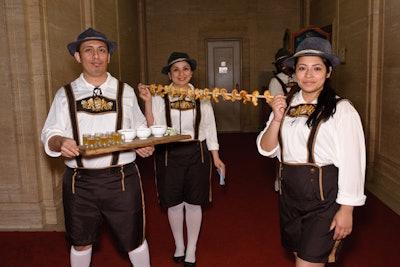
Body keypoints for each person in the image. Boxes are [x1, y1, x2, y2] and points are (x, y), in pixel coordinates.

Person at [41, 28, 153, 267]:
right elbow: (49, 134)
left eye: (101, 50)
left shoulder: (126, 92)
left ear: (109, 56)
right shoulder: (65, 94)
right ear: (78, 57)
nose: (96, 56)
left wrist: (144, 146)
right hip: (79, 181)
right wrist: (60, 142)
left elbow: (140, 128)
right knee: (80, 241)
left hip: (122, 178)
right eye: (88, 50)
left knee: (135, 239)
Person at [256, 37, 366, 266]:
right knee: (300, 256)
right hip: (289, 197)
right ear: (294, 72)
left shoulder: (341, 109)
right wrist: (276, 119)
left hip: (323, 200)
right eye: (302, 68)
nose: (308, 75)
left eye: (317, 68)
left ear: (328, 72)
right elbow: (266, 149)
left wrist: (347, 210)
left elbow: (353, 162)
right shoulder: (286, 104)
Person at [138, 52, 225, 267]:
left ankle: (192, 248)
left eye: (185, 69)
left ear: (191, 72)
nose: (181, 74)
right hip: (168, 153)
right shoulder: (160, 96)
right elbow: (152, 128)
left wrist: (216, 156)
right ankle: (179, 244)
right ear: (169, 74)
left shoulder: (202, 95)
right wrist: (148, 103)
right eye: (175, 69)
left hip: (197, 152)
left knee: (194, 203)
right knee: (174, 203)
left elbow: (210, 127)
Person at [268, 48, 299, 191]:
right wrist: (291, 94)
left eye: (286, 63)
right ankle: (279, 179)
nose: (284, 67)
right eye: (280, 64)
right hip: (284, 119)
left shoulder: (299, 76)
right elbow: (273, 103)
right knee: (281, 149)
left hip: (301, 118)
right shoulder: (276, 81)